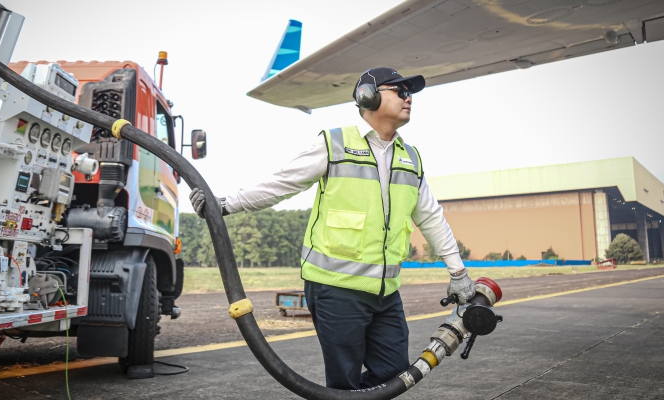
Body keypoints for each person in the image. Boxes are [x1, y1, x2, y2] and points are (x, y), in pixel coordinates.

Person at [189, 67, 474, 390]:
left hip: (385, 293)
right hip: (336, 289)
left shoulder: (410, 158)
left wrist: (458, 273)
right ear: (369, 95)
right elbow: (281, 183)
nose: (409, 99)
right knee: (344, 380)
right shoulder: (334, 143)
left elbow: (431, 217)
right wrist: (224, 205)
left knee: (394, 371)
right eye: (401, 91)